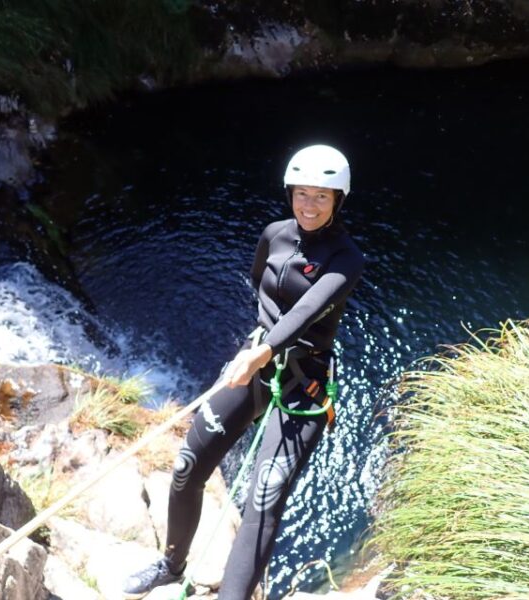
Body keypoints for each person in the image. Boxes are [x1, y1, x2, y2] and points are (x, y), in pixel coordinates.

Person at [122, 144, 365, 600]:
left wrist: (266, 348)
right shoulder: (275, 234)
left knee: (263, 503)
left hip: (301, 387)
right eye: (302, 194)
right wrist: (259, 345)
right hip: (256, 365)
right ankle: (171, 566)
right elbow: (261, 284)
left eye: (321, 197)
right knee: (187, 467)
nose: (308, 206)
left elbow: (309, 310)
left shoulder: (347, 259)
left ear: (338, 201)